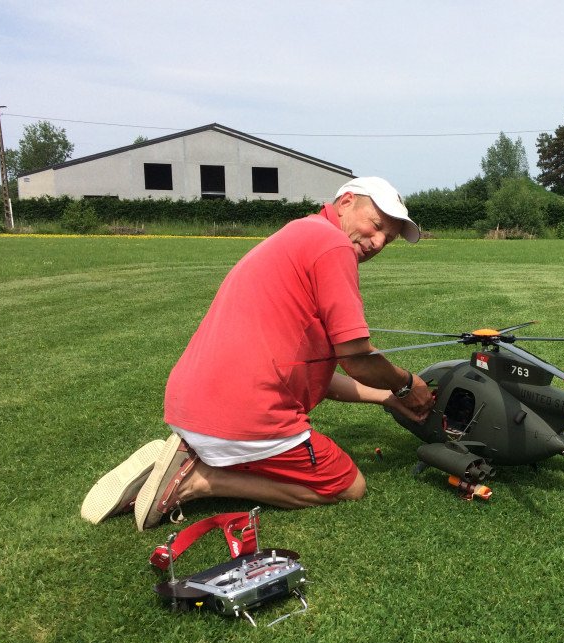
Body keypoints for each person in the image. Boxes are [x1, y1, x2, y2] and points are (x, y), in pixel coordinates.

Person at [80, 176, 434, 530]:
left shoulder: (300, 233)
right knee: (347, 486)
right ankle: (199, 480)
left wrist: (387, 398)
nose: (378, 242)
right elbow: (357, 358)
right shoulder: (333, 245)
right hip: (243, 416)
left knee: (273, 450)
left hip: (189, 409)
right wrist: (407, 384)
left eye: (388, 239)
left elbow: (303, 374)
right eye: (376, 226)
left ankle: (195, 454)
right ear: (346, 202)